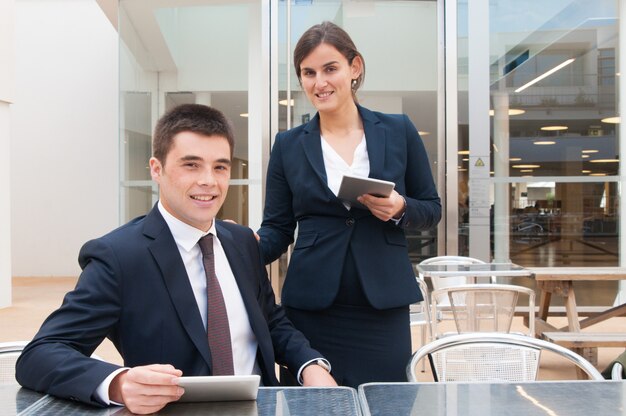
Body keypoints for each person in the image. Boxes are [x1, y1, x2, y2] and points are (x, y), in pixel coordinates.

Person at [15, 104, 336, 414]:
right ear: (157, 169)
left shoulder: (242, 243)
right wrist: (118, 384)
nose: (209, 180)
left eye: (220, 166)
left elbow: (270, 321)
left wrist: (310, 365)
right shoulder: (120, 258)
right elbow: (40, 355)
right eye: (191, 165)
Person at [257, 22, 441, 388]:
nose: (319, 82)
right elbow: (277, 229)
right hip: (311, 306)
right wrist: (240, 247)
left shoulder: (398, 130)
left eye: (330, 68)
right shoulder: (289, 145)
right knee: (310, 409)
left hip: (382, 306)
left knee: (386, 406)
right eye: (308, 73)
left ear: (354, 68)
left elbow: (431, 209)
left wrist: (401, 207)